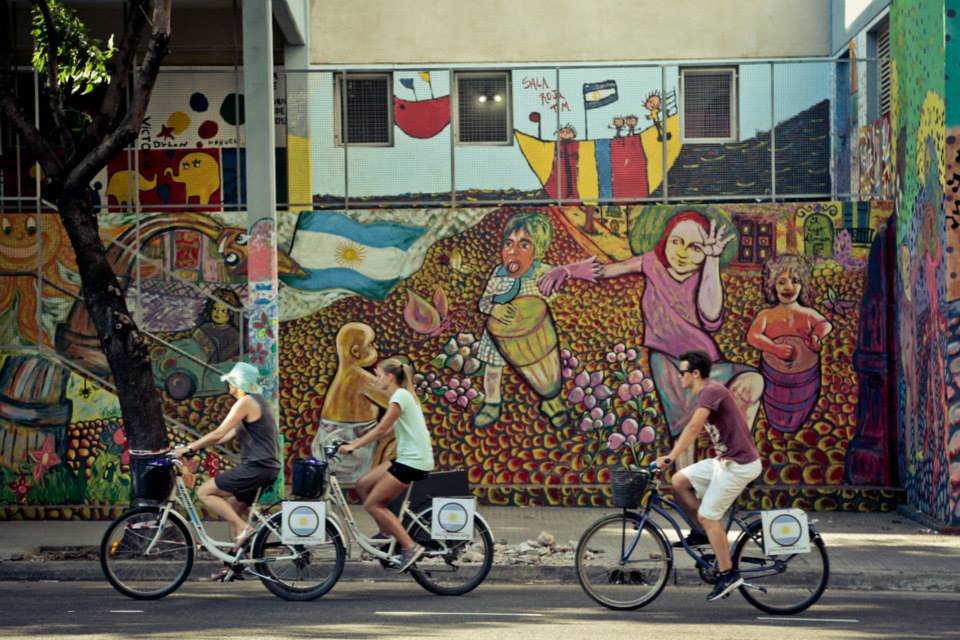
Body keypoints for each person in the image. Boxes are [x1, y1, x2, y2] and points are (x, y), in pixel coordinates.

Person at [654, 350, 762, 603]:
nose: (678, 377)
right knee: (679, 481)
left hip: (739, 465)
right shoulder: (707, 392)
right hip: (724, 462)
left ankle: (728, 574)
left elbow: (693, 428)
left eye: (682, 372)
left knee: (709, 515)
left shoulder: (711, 391)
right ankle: (703, 533)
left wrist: (670, 457)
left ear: (695, 373)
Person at [174, 362, 280, 573]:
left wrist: (189, 448)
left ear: (240, 383)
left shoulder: (245, 402)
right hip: (265, 467)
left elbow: (218, 433)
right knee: (233, 508)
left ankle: (245, 529)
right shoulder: (257, 402)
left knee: (204, 492)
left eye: (231, 381)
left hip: (258, 466)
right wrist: (195, 448)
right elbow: (225, 436)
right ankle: (234, 565)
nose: (229, 385)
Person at [338, 358, 435, 572]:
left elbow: (381, 429)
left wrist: (354, 445)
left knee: (373, 504)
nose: (376, 380)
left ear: (390, 377)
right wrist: (358, 438)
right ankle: (386, 533)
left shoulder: (400, 396)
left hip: (412, 461)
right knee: (363, 484)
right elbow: (389, 429)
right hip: (406, 457)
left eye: (379, 375)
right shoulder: (401, 396)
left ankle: (409, 547)